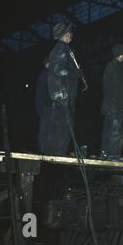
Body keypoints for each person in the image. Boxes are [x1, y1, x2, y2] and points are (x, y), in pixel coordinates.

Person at [45, 22, 83, 156]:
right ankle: (57, 153)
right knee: (63, 125)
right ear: (63, 34)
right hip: (63, 93)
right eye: (68, 33)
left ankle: (55, 152)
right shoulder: (61, 49)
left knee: (60, 124)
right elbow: (57, 70)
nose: (71, 35)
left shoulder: (63, 49)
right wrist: (74, 73)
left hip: (62, 93)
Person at [100, 44, 123, 160]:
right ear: (120, 55)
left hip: (109, 105)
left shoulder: (110, 66)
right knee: (116, 131)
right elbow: (118, 87)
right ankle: (113, 155)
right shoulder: (116, 67)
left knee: (109, 130)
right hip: (115, 106)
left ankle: (105, 153)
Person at [35, 57, 51, 153]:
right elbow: (44, 92)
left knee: (45, 128)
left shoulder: (44, 75)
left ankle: (44, 149)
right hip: (44, 105)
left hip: (43, 105)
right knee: (45, 128)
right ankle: (43, 149)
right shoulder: (45, 75)